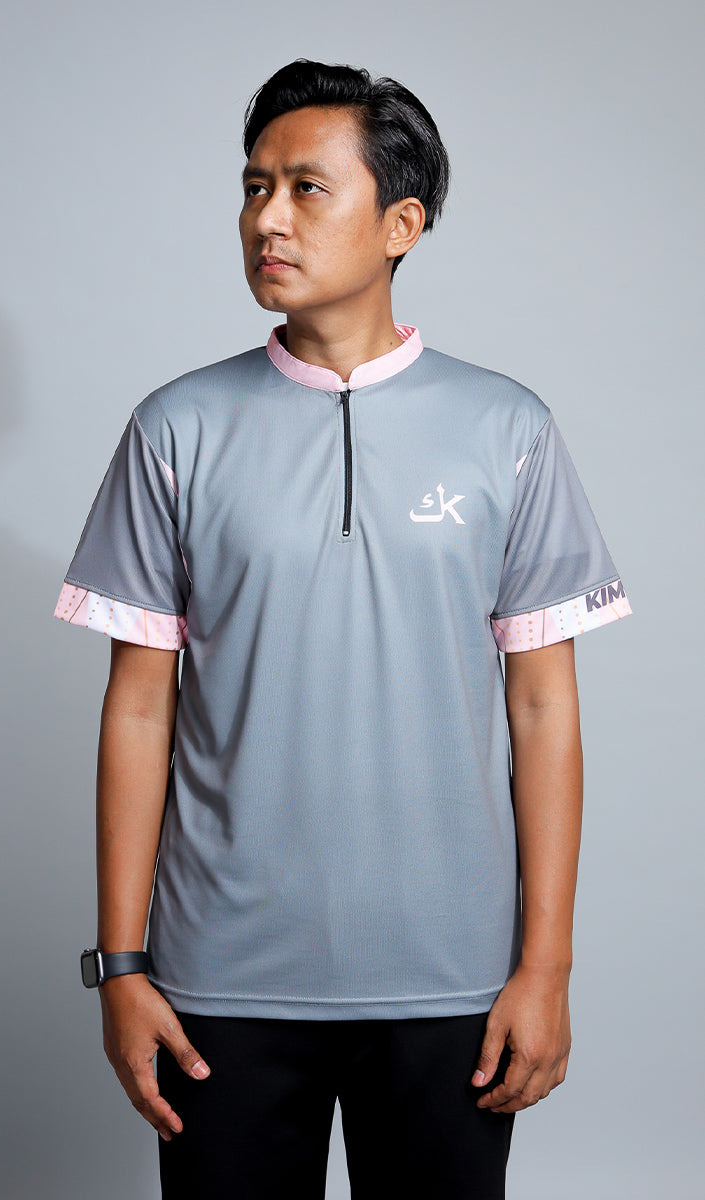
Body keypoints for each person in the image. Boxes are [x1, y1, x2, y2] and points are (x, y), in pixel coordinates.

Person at [55, 58, 632, 1199]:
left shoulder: (507, 428)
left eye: (306, 188)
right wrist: (121, 966)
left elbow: (542, 707)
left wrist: (546, 970)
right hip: (216, 985)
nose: (266, 218)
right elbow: (138, 708)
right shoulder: (175, 428)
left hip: (453, 982)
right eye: (253, 187)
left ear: (400, 224)